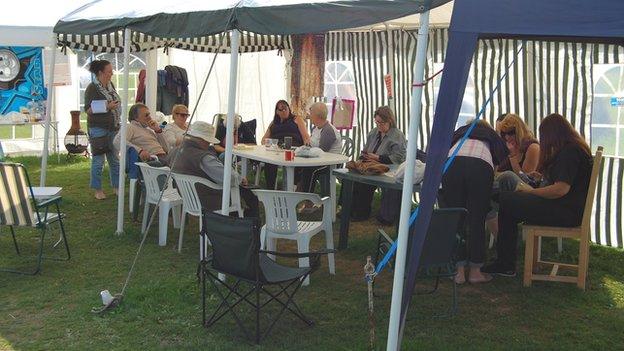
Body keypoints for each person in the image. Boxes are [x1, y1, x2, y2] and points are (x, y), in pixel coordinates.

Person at [483, 113, 593, 277]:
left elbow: (560, 189)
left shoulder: (569, 153)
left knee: (507, 201)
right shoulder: (575, 148)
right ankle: (504, 262)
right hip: (568, 209)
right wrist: (541, 178)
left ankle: (505, 263)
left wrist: (531, 191)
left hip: (564, 212)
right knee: (508, 199)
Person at [440, 120, 508, 284]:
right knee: (477, 218)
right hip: (480, 166)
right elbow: (499, 161)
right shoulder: (490, 134)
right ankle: (476, 272)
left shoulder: (460, 132)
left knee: (456, 218)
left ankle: (459, 272)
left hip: (452, 164)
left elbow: (442, 149)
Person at [168, 121, 259, 217]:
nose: (209, 144)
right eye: (208, 141)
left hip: (188, 198)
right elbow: (228, 178)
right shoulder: (203, 157)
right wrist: (240, 179)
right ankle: (249, 223)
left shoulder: (175, 151)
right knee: (248, 192)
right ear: (202, 140)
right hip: (208, 200)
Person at [486, 113, 541, 236]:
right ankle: (501, 238)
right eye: (504, 134)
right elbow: (496, 170)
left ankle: (503, 240)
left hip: (527, 192)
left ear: (519, 130)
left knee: (507, 177)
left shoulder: (532, 147)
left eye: (511, 132)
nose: (507, 137)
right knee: (484, 194)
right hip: (507, 190)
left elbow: (524, 179)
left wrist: (512, 157)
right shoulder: (506, 146)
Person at [351, 106, 406, 224]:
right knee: (353, 177)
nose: (379, 125)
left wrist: (378, 158)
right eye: (377, 122)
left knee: (365, 183)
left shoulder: (397, 135)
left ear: (390, 121)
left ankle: (362, 213)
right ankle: (350, 209)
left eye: (382, 123)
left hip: (388, 168)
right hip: (370, 165)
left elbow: (398, 158)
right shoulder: (374, 132)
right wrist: (364, 157)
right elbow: (366, 149)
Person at [84, 59, 121, 200]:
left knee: (114, 160)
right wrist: (107, 107)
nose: (112, 73)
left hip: (114, 127)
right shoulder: (92, 88)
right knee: (98, 161)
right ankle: (97, 189)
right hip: (98, 128)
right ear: (100, 73)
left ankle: (116, 186)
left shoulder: (110, 86)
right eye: (109, 71)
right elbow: (88, 110)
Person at [261, 100, 311, 189]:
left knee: (293, 162)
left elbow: (305, 136)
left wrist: (306, 147)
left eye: (285, 108)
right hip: (276, 149)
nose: (284, 111)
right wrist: (273, 143)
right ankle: (271, 189)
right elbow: (263, 140)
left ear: (289, 108)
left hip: (293, 149)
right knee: (269, 162)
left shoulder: (296, 119)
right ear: (277, 112)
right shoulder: (273, 123)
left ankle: (293, 187)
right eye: (281, 109)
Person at [296, 102, 342, 193]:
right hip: (320, 160)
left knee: (309, 170)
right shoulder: (316, 128)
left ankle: (307, 199)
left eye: (311, 114)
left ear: (317, 116)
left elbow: (321, 152)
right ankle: (298, 193)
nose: (309, 116)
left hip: (330, 163)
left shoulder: (328, 130)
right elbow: (312, 146)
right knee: (298, 167)